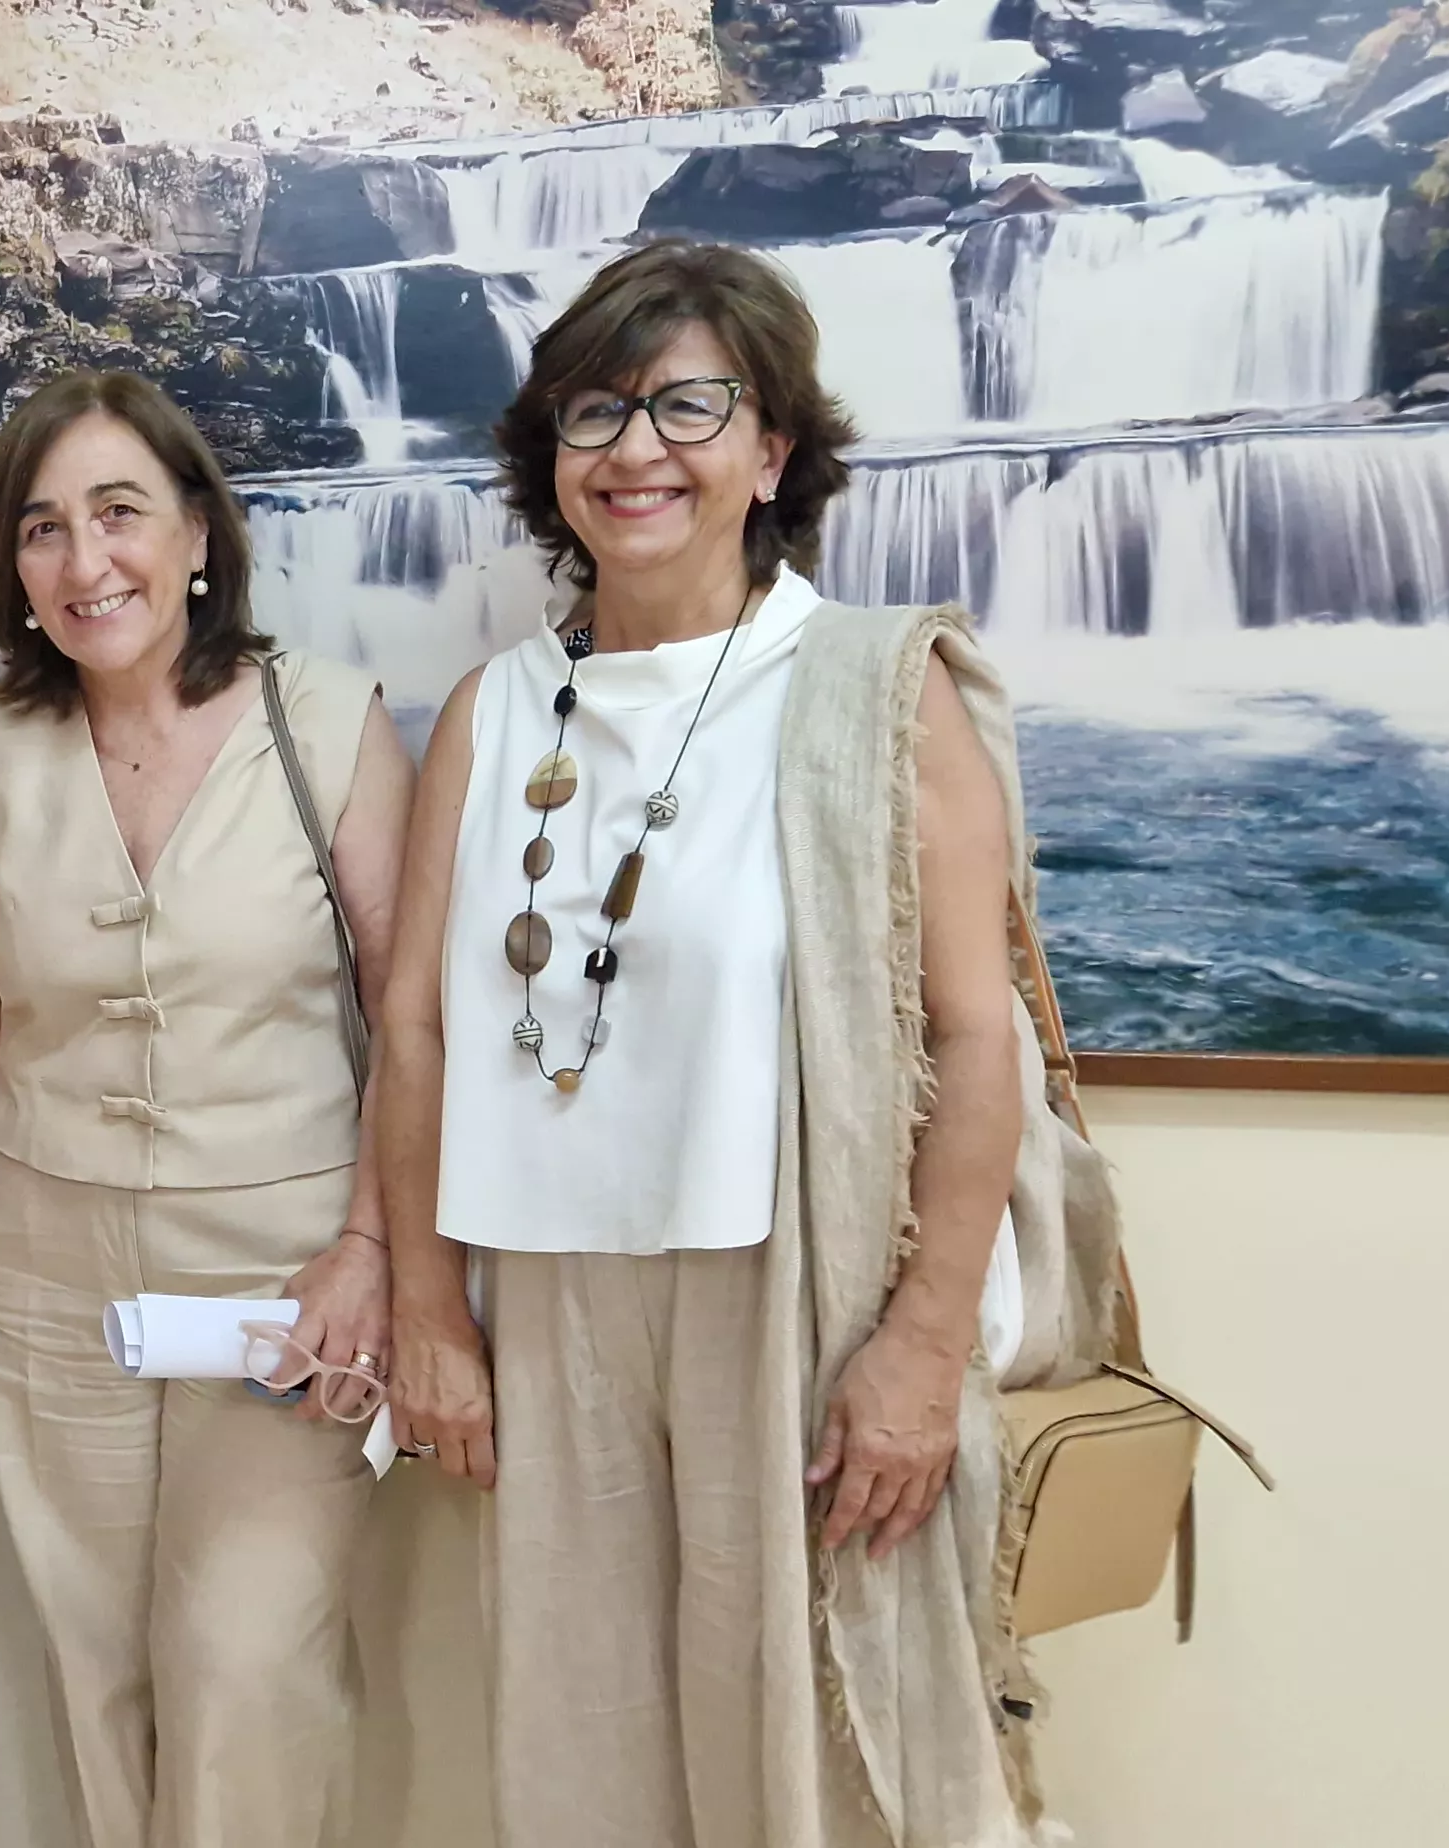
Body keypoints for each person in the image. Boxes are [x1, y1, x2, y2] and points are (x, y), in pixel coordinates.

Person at [375, 239, 1048, 1845]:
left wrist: (925, 1347)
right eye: (596, 411)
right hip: (545, 1301)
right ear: (552, 457)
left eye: (691, 405)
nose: (639, 450)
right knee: (579, 1757)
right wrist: (425, 1316)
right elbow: (413, 1027)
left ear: (772, 452)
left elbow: (976, 1038)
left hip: (798, 1299)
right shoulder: (492, 709)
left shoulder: (885, 691)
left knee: (810, 1758)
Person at [0, 368, 412, 1846]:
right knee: (96, 1664)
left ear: (199, 533)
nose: (87, 562)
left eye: (120, 513)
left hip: (286, 1273)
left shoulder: (330, 724)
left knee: (247, 1667)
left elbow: (413, 1020)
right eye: (45, 529)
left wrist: (375, 1253)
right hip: (45, 1266)